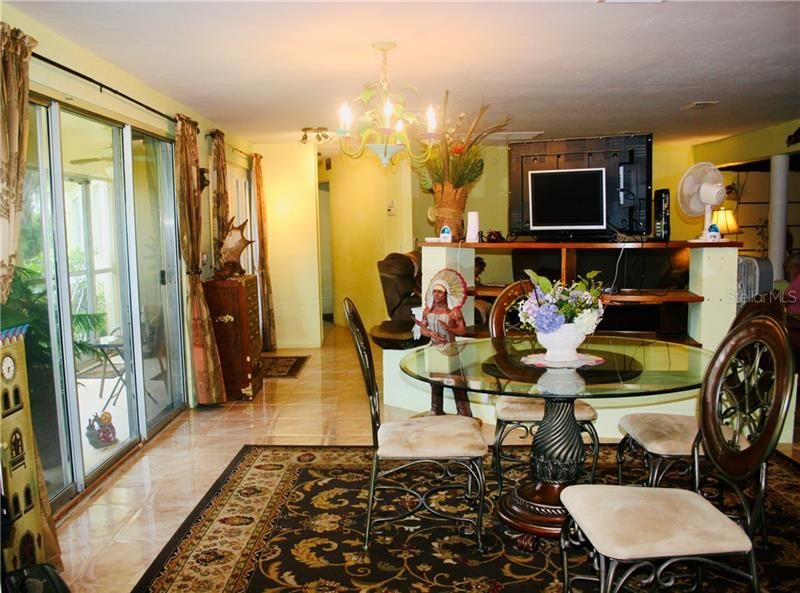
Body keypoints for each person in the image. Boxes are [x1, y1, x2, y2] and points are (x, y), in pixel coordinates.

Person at [414, 275, 473, 417]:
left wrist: (449, 329)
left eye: (439, 292)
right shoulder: (428, 311)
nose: (436, 295)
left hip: (450, 349)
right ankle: (436, 409)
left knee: (456, 381)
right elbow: (422, 328)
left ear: (446, 294)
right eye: (434, 292)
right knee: (435, 380)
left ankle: (463, 412)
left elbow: (462, 330)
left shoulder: (454, 312)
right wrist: (429, 333)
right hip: (434, 349)